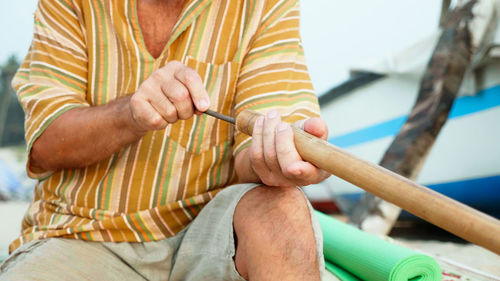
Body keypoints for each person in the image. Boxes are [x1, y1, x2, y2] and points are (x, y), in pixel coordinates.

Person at [0, 0, 330, 280]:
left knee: (282, 208)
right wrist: (130, 115)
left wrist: (277, 158)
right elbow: (45, 144)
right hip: (83, 237)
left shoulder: (263, 5)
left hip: (206, 235)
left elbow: (252, 156)